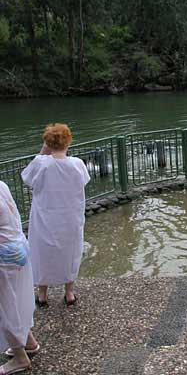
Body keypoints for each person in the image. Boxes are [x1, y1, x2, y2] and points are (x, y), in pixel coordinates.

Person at [21, 123, 90, 306]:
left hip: (44, 217)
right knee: (71, 253)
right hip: (70, 217)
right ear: (68, 142)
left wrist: (43, 152)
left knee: (42, 253)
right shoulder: (77, 164)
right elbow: (84, 182)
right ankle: (69, 293)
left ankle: (42, 295)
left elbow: (26, 177)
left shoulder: (41, 163)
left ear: (48, 143)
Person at [0, 180, 39, 375]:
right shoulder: (1, 185)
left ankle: (20, 359)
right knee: (17, 302)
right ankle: (29, 342)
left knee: (5, 309)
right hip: (18, 247)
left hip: (4, 256)